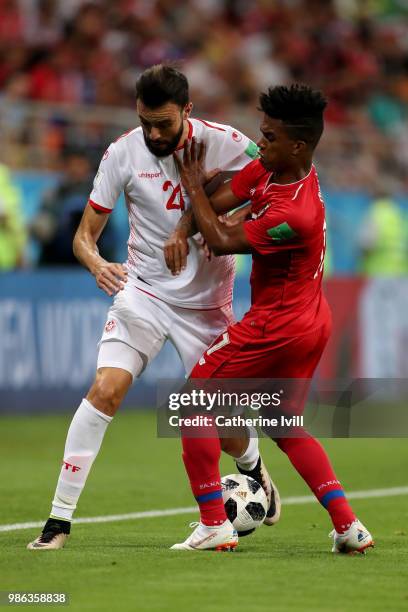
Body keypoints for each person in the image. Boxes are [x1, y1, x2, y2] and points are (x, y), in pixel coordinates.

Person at [27, 65, 280, 550]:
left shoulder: (226, 142)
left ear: (187, 111)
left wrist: (227, 227)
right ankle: (57, 522)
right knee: (105, 390)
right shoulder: (122, 153)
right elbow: (85, 236)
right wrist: (96, 262)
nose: (153, 133)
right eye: (145, 122)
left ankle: (251, 467)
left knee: (223, 428)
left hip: (206, 304)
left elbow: (273, 185)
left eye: (163, 123)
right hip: (143, 291)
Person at [170, 84, 373, 554]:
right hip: (309, 318)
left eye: (269, 137)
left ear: (297, 145)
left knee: (192, 404)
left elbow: (220, 237)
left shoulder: (294, 213)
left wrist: (193, 186)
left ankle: (213, 524)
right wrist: (195, 211)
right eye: (262, 134)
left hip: (279, 324)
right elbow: (221, 205)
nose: (259, 144)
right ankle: (348, 526)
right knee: (284, 423)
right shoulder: (273, 167)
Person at [30, 147, 116, 265]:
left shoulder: (98, 193)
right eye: (72, 165)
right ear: (65, 167)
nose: (76, 169)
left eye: (80, 164)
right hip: (57, 260)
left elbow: (109, 235)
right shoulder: (54, 193)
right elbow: (41, 228)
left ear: (87, 167)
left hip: (91, 260)